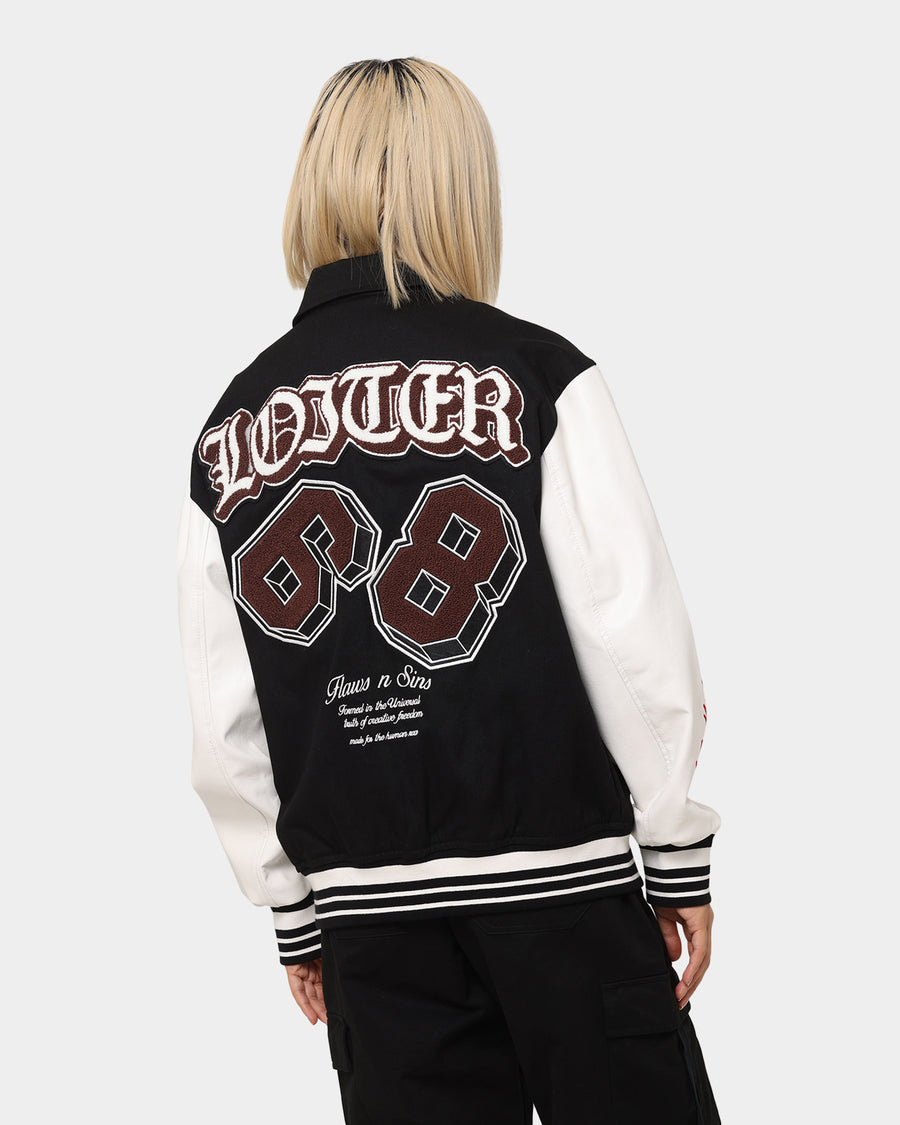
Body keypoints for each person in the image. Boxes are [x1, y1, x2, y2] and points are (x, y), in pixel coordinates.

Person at [176, 56, 722, 1124]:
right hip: (565, 892)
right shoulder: (541, 376)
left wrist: (291, 902)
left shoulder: (228, 428)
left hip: (372, 923)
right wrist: (674, 847)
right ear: (463, 189)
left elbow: (221, 714)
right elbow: (630, 635)